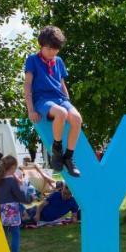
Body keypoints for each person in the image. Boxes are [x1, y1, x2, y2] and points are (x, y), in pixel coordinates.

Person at [24, 25, 83, 177]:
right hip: (43, 100)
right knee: (61, 113)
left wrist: (68, 102)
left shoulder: (58, 61)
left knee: (76, 118)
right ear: (41, 45)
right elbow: (28, 84)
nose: (53, 52)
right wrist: (30, 109)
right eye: (49, 49)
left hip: (60, 98)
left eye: (56, 49)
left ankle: (69, 158)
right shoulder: (32, 60)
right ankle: (57, 149)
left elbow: (62, 83)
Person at [0, 156, 33, 252]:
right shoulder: (11, 181)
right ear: (13, 167)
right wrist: (29, 199)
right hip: (12, 209)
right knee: (15, 234)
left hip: (2, 209)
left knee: (3, 235)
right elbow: (19, 196)